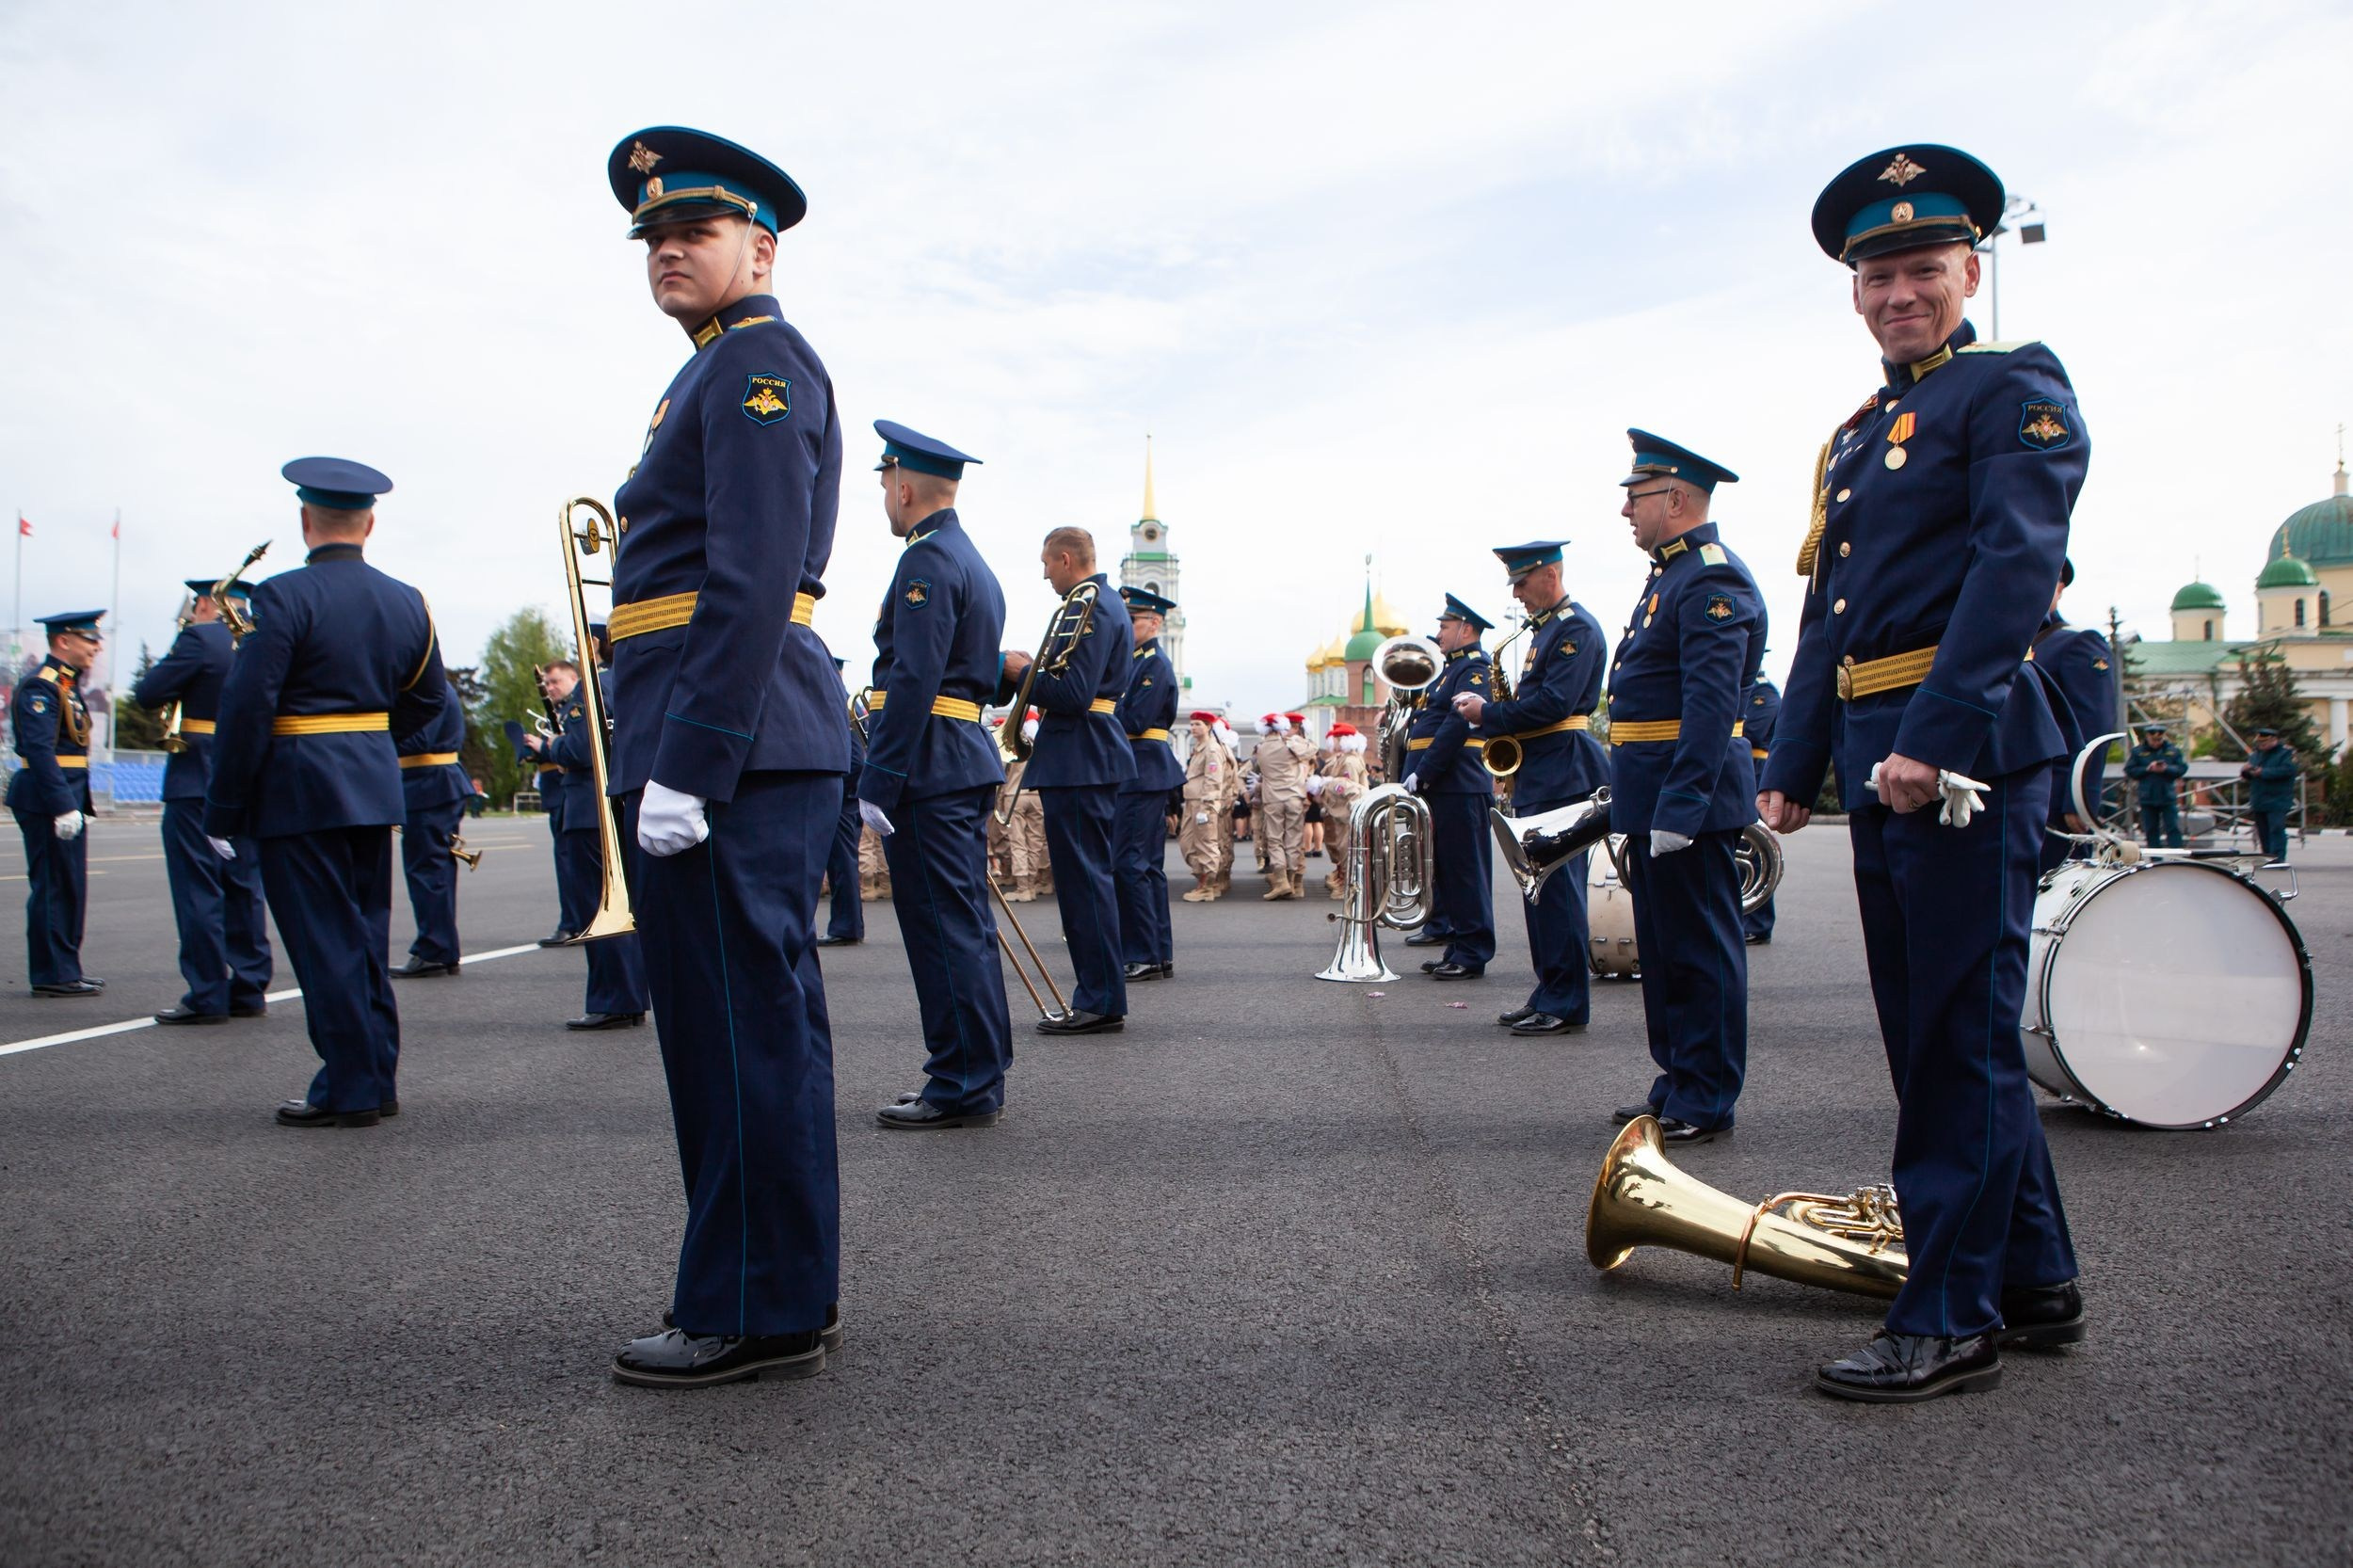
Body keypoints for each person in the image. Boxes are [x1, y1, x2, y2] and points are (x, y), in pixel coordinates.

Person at [1759, 144, 2089, 1403]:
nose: (1902, 292)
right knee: (1939, 1029)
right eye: (1879, 272)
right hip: (1875, 746)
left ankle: (1949, 1312)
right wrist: (1793, 765)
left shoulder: (2012, 390)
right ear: (1855, 289)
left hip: (1957, 753)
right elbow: (1831, 615)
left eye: (1925, 270)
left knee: (1954, 1036)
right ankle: (2038, 1276)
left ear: (1971, 270)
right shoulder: (1861, 436)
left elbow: (2015, 571)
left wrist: (1935, 740)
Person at [600, 126, 850, 1387]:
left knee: (740, 1032)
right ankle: (771, 1287)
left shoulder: (757, 365)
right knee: (734, 1029)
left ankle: (754, 1305)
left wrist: (691, 761)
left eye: (691, 233)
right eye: (652, 237)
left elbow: (749, 578)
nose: (666, 253)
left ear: (760, 246)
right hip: (730, 736)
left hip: (732, 745)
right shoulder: (715, 372)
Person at [205, 456, 449, 1127]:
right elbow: (429, 697)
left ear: (305, 520)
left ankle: (350, 1089)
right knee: (364, 936)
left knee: (323, 944)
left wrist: (224, 804)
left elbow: (249, 703)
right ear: (368, 523)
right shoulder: (409, 600)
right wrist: (368, 740)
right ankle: (376, 1075)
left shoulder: (279, 597)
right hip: (369, 785)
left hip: (298, 789)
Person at [855, 421, 1014, 1128]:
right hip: (956, 754)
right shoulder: (969, 559)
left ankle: (961, 1083)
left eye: (885, 482)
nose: (885, 496)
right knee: (964, 928)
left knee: (943, 931)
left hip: (929, 763)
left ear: (906, 484)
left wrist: (879, 779)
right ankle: (978, 1072)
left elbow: (914, 675)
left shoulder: (925, 562)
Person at [1605, 433, 1762, 1126]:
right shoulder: (1671, 577)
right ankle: (1680, 1077)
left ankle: (1708, 1095)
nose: (1625, 513)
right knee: (1665, 954)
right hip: (1654, 791)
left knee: (1701, 952)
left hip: (1683, 796)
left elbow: (1709, 703)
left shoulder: (1710, 577)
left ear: (1674, 499)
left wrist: (1683, 803)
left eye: (1633, 498)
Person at [1452, 542, 1609, 1030]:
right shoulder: (1547, 631)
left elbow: (1554, 704)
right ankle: (1548, 991)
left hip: (1564, 767)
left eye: (1522, 582)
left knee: (1559, 891)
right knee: (1538, 888)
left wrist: (1489, 714)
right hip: (1543, 768)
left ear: (1550, 575)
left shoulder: (1574, 629)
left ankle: (1566, 1001)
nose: (1517, 594)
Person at [1000, 526, 1134, 1035]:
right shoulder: (1094, 600)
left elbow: (1074, 692)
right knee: (1084, 883)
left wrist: (1020, 673)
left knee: (1084, 886)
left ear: (1064, 559)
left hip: (1081, 753)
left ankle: (1099, 1000)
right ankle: (1099, 995)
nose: (1043, 574)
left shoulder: (1092, 603)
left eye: (1046, 564)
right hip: (1082, 755)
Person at [135, 581, 271, 1022]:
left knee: (199, 888)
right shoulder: (263, 641)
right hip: (250, 776)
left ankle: (208, 993)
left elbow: (149, 691)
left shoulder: (200, 636)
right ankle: (249, 986)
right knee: (244, 885)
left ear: (209, 603)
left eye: (198, 604)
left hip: (198, 777)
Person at [546, 650, 648, 1031]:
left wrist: (548, 748)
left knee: (598, 907)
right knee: (615, 905)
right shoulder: (612, 683)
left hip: (587, 811)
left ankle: (615, 998)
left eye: (555, 681)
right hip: (601, 805)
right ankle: (628, 996)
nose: (551, 688)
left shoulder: (588, 692)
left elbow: (577, 749)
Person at [9, 611, 107, 997]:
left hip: (65, 793)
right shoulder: (42, 686)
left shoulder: (66, 683)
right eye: (89, 639)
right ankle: (52, 973)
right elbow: (39, 749)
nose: (96, 646)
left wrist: (75, 803)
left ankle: (66, 967)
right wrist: (63, 806)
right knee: (53, 885)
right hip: (47, 797)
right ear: (63, 641)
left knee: (69, 885)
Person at [1402, 595, 1495, 980]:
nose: (1438, 634)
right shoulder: (1450, 671)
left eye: (1444, 626)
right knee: (1448, 871)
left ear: (1466, 629)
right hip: (1443, 785)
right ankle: (1458, 944)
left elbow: (1456, 726)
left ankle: (1473, 950)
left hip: (1458, 783)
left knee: (1465, 871)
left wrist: (1424, 772)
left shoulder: (1474, 669)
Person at [1115, 586, 1184, 982]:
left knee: (1131, 864)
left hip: (1143, 770)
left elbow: (1133, 721)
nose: (1127, 625)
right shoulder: (1135, 662)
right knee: (1146, 867)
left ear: (1154, 623)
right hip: (1139, 770)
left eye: (1133, 619)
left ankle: (1143, 953)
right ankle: (1157, 953)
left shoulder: (1153, 665)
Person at [391, 644, 470, 979]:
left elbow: (415, 740)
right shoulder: (439, 688)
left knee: (427, 870)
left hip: (427, 783)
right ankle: (442, 948)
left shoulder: (425, 691)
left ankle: (435, 948)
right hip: (436, 782)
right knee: (435, 869)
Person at [2032, 561, 2116, 872]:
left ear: (2060, 588)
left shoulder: (2076, 643)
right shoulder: (2007, 644)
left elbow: (2094, 727)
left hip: (2055, 800)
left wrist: (2080, 799)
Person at [819, 656, 865, 947]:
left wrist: (842, 788)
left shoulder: (838, 700)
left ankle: (846, 926)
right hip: (846, 790)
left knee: (841, 862)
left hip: (842, 791)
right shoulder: (845, 699)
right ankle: (847, 924)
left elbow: (854, 757)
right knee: (841, 862)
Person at [1243, 712, 1312, 897]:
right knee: (1293, 840)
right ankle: (1290, 881)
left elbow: (1252, 770)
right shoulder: (1290, 744)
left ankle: (1281, 880)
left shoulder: (1261, 748)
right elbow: (1312, 749)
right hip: (1294, 797)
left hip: (1273, 798)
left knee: (1274, 839)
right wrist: (1293, 738)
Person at [1742, 671, 1783, 942]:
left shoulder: (1763, 693)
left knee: (1754, 849)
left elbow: (1752, 731)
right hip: (1740, 765)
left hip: (1756, 769)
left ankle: (1758, 923)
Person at [1178, 712, 1231, 901]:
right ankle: (1204, 879)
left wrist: (1207, 805)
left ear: (1208, 726)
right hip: (1193, 800)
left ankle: (1208, 886)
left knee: (1206, 844)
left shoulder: (1212, 749)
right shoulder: (1200, 748)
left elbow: (1213, 778)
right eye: (1191, 724)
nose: (1193, 728)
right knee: (1187, 842)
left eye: (1198, 724)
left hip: (1203, 803)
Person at [1319, 723, 1368, 898]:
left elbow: (1351, 790)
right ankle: (1344, 880)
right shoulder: (1345, 758)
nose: (1333, 742)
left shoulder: (1349, 761)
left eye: (1337, 739)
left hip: (1348, 812)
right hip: (1343, 812)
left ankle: (1347, 885)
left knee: (1347, 848)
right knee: (1341, 847)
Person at [2241, 727, 2298, 862]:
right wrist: (2245, 771)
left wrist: (2263, 772)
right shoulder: (2256, 754)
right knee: (2263, 831)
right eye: (2260, 743)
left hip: (2278, 798)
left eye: (2264, 743)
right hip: (2259, 798)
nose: (2261, 746)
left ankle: (2277, 858)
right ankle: (2267, 858)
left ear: (2274, 740)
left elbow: (2288, 771)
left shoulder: (2286, 753)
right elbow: (2249, 774)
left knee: (2276, 828)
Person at [2125, 722, 2186, 847]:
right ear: (2147, 737)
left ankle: (2176, 856)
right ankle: (2156, 858)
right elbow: (2130, 770)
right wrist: (2147, 769)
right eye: (2153, 739)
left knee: (2173, 827)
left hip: (2167, 795)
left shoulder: (2172, 751)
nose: (2156, 742)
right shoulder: (2138, 752)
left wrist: (2166, 769)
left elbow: (2181, 768)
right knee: (2151, 829)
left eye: (2159, 739)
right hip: (2148, 796)